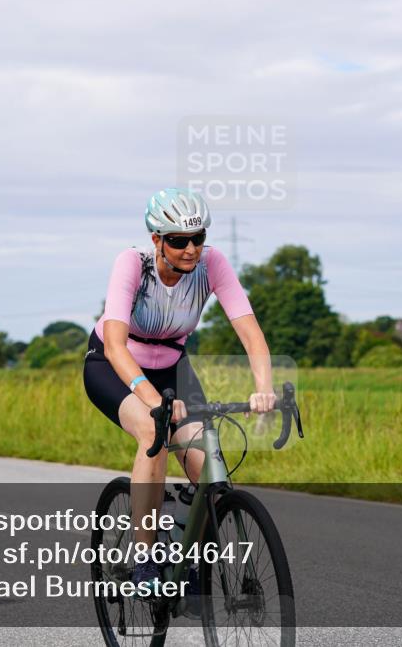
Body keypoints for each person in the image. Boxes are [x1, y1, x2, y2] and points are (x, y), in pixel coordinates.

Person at [83, 187, 276, 597]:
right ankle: (145, 559)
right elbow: (116, 346)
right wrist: (155, 402)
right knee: (155, 433)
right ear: (157, 239)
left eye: (198, 238)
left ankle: (189, 552)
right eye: (178, 240)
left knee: (205, 458)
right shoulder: (131, 264)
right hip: (114, 365)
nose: (190, 249)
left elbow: (251, 335)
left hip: (171, 365)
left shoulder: (213, 264)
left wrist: (264, 389)